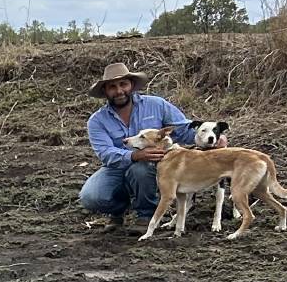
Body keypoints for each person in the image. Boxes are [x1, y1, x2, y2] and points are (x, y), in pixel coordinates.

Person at [78, 62, 224, 230]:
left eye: (123, 84)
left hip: (155, 166)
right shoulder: (97, 121)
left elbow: (184, 129)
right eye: (112, 87)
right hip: (117, 166)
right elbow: (105, 153)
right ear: (105, 91)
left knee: (141, 169)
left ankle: (146, 215)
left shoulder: (157, 105)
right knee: (91, 197)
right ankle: (118, 210)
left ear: (131, 85)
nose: (119, 91)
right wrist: (133, 156)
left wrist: (212, 138)